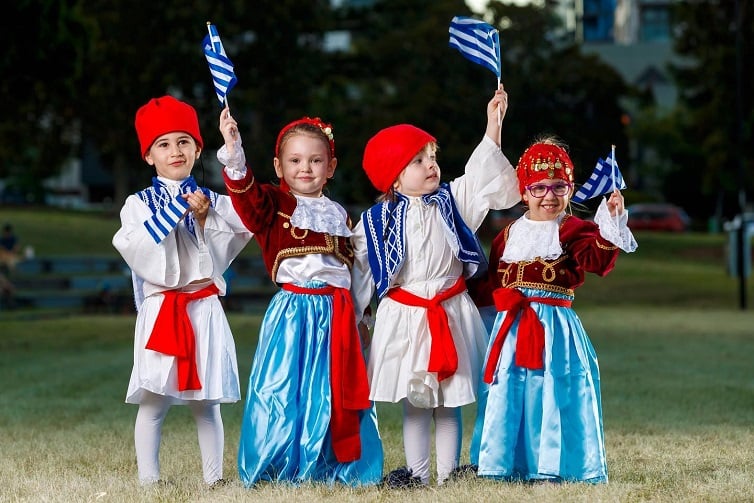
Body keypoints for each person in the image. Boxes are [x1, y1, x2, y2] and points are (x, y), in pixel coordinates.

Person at [350, 87, 521, 487]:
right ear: (393, 175)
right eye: (417, 160)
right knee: (416, 401)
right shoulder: (374, 221)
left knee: (450, 401)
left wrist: (493, 124)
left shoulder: (453, 200)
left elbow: (482, 175)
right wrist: (359, 315)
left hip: (449, 310)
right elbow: (360, 269)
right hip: (405, 316)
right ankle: (417, 475)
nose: (430, 165)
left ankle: (446, 477)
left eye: (432, 157)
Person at [217, 109, 383, 487]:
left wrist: (361, 318)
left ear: (331, 166)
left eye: (315, 160)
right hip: (293, 312)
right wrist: (234, 147)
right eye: (294, 160)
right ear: (278, 165)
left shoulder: (339, 214)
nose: (304, 168)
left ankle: (333, 466)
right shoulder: (272, 205)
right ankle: (277, 466)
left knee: (332, 390)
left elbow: (355, 272)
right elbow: (245, 196)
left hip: (337, 314)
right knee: (281, 389)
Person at [469, 136, 638, 484]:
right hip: (512, 329)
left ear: (570, 187)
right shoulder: (507, 235)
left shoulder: (573, 229)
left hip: (555, 330)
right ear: (524, 191)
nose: (549, 195)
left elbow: (598, 260)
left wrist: (612, 221)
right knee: (510, 389)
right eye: (539, 187)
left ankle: (553, 464)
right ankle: (504, 463)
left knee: (555, 388)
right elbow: (493, 283)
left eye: (558, 186)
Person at [112, 95, 253, 487]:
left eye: (183, 141)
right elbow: (135, 246)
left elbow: (238, 234)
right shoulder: (137, 205)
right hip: (164, 309)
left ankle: (213, 479)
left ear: (197, 148)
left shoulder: (213, 202)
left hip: (204, 306)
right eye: (163, 144)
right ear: (148, 156)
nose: (175, 151)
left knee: (206, 402)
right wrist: (175, 213)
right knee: (154, 400)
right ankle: (149, 479)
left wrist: (206, 218)